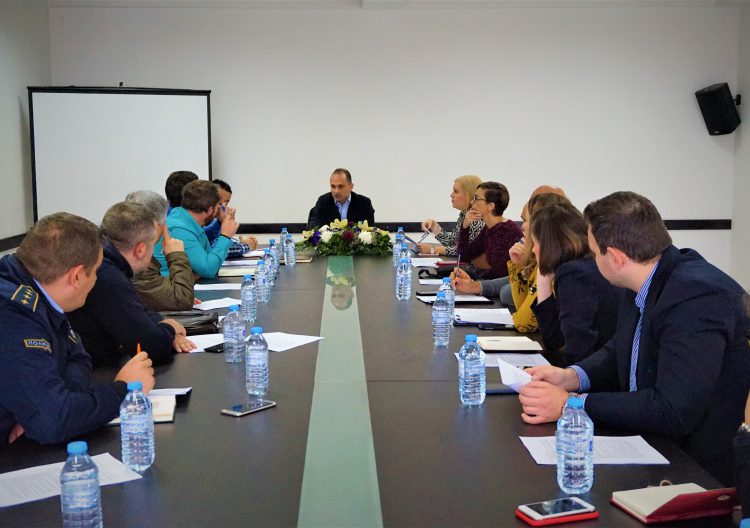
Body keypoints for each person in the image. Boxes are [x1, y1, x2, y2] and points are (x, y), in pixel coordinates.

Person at [518, 191, 750, 485]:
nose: (591, 260)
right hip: (655, 446)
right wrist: (572, 377)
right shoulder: (646, 279)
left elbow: (672, 409)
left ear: (616, 258)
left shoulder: (695, 296)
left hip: (700, 470)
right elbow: (621, 348)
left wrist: (572, 404)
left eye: (595, 253)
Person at [0, 213, 154, 448]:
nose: (96, 280)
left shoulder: (38, 290)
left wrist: (46, 406)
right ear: (77, 276)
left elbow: (78, 355)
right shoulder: (13, 315)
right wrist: (124, 390)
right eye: (96, 271)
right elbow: (54, 422)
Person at [68, 202, 196, 368]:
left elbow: (139, 309)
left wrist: (163, 326)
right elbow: (152, 348)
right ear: (140, 250)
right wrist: (169, 329)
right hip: (96, 372)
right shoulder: (108, 277)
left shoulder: (110, 265)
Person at [453, 192, 571, 334]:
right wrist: (517, 266)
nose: (522, 227)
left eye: (526, 220)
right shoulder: (488, 229)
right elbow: (522, 308)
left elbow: (523, 320)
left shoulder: (557, 263)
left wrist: (521, 268)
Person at [528, 202, 622, 365]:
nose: (533, 250)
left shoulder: (574, 275)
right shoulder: (587, 265)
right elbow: (556, 341)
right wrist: (543, 281)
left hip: (598, 372)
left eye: (535, 242)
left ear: (548, 243)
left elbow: (575, 349)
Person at [126, 190, 196, 311]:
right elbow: (182, 300)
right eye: (164, 222)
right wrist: (177, 255)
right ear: (156, 226)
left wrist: (169, 294)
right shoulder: (136, 261)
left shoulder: (125, 247)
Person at [160, 180, 239, 278]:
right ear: (210, 210)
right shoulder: (180, 229)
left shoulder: (191, 222)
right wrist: (225, 236)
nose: (220, 211)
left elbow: (210, 261)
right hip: (171, 286)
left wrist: (201, 272)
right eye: (218, 207)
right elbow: (209, 270)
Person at [456, 182, 523, 280]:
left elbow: (500, 273)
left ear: (490, 206)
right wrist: (465, 227)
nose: (472, 202)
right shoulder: (489, 228)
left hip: (507, 285)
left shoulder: (506, 230)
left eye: (476, 198)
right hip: (497, 283)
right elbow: (464, 256)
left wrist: (473, 279)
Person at [419, 175, 484, 256]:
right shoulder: (464, 214)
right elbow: (452, 242)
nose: (451, 195)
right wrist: (434, 226)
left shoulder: (476, 218)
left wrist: (433, 249)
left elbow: (464, 250)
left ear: (469, 194)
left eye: (456, 191)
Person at [205, 179, 258, 258]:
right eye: (219, 202)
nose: (222, 207)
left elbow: (217, 241)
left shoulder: (213, 222)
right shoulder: (201, 221)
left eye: (226, 203)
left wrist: (238, 242)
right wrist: (246, 245)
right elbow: (216, 249)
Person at [307, 168, 375, 229]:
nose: (336, 191)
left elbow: (371, 232)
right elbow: (313, 229)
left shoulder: (364, 203)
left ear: (351, 187)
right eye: (333, 186)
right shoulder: (323, 202)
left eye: (340, 186)